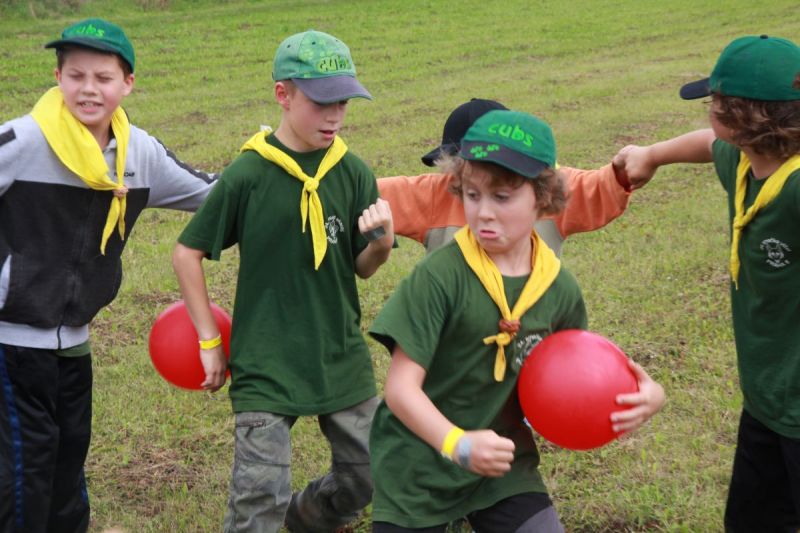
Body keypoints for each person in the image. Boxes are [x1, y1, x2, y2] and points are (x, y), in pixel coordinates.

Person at [368, 109, 665, 531]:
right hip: (418, 465)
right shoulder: (438, 278)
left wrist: (643, 394)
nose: (483, 212)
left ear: (543, 198)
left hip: (505, 466)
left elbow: (573, 376)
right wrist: (458, 444)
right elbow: (399, 390)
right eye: (472, 195)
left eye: (502, 197)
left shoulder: (557, 287)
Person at [171, 30, 394, 533]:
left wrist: (380, 244)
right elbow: (186, 253)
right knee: (258, 497)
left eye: (343, 102)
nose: (334, 116)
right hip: (267, 361)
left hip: (339, 354)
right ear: (283, 94)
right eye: (320, 102)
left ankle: (310, 515)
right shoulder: (249, 175)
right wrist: (209, 341)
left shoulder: (353, 172)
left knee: (371, 474)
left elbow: (361, 266)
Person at [0, 18, 217, 533]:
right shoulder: (21, 141)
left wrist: (272, 174)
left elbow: (216, 195)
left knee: (68, 460)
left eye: (103, 77)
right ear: (57, 77)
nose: (88, 89)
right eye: (76, 76)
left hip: (75, 341)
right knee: (22, 473)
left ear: (128, 83)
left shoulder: (139, 154)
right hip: (11, 343)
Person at [613, 35, 800, 532]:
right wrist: (651, 154)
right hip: (767, 399)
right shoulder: (744, 160)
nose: (708, 117)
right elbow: (705, 145)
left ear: (736, 114)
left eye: (712, 103)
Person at [378, 98, 646, 256]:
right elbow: (364, 191)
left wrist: (625, 170)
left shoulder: (542, 187)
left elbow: (599, 187)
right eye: (459, 165)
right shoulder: (440, 191)